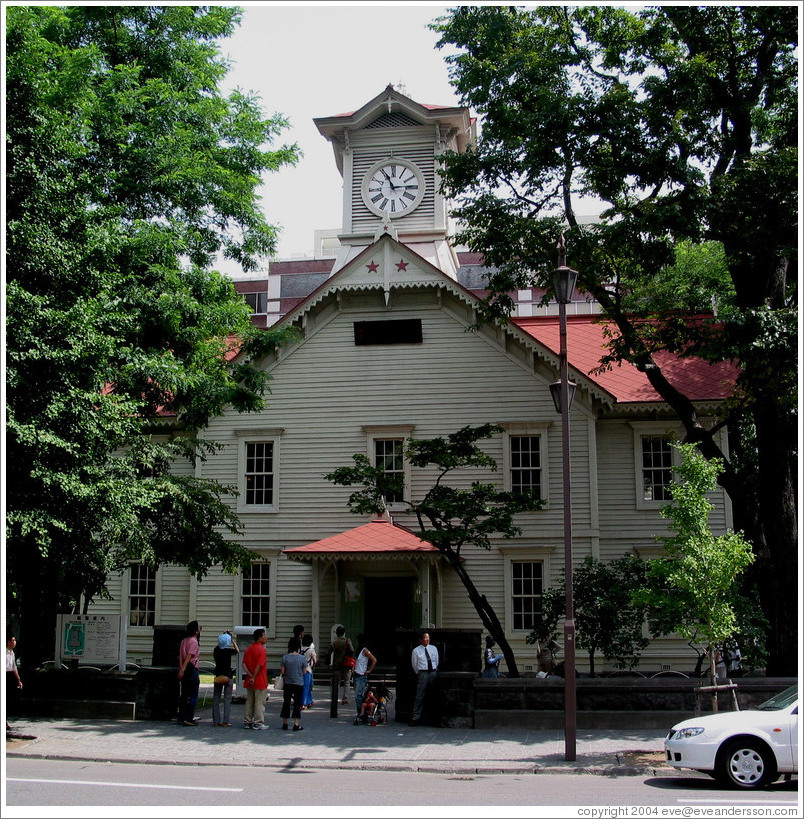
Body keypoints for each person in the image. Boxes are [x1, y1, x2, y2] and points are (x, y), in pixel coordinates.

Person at [409, 630, 439, 726]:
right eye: (425, 638)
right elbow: (414, 664)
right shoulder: (416, 651)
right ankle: (416, 717)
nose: (427, 640)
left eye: (428, 638)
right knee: (420, 695)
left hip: (432, 672)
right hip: (423, 672)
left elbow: (436, 660)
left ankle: (432, 718)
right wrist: (419, 672)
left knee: (433, 694)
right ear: (421, 640)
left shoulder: (433, 648)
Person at [242, 628, 269, 730]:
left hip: (249, 680)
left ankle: (247, 721)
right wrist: (254, 676)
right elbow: (259, 665)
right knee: (259, 702)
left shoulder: (249, 649)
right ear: (259, 638)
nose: (265, 637)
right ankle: (258, 722)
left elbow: (244, 664)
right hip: (259, 680)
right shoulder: (261, 650)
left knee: (249, 701)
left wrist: (250, 675)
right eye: (264, 636)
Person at [212, 630, 239, 727]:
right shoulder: (228, 651)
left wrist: (223, 636)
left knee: (216, 699)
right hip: (228, 676)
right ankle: (225, 721)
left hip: (218, 676)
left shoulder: (216, 650)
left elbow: (218, 645)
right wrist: (232, 640)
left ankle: (216, 721)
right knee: (227, 699)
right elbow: (237, 651)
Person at [177, 621, 201, 726]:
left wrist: (181, 669)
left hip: (184, 669)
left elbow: (182, 657)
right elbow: (189, 656)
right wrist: (183, 669)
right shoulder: (194, 642)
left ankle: (181, 716)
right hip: (191, 669)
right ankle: (189, 717)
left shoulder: (183, 641)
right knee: (193, 695)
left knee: (184, 694)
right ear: (196, 631)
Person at [280, 637, 307, 731]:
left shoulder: (285, 657)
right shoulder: (302, 658)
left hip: (288, 682)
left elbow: (283, 672)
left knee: (286, 702)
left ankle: (285, 723)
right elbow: (304, 672)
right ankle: (296, 723)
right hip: (299, 683)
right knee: (297, 703)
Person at [327, 625, 354, 705]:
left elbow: (328, 653)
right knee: (346, 682)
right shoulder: (347, 641)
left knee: (336, 682)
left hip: (336, 664)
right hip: (346, 664)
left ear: (337, 633)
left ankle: (334, 697)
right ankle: (345, 698)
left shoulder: (334, 642)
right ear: (344, 633)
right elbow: (352, 650)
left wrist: (328, 663)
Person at [352, 635, 377, 718]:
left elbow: (374, 660)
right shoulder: (360, 650)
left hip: (361, 675)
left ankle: (361, 713)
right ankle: (361, 712)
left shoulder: (365, 650)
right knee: (358, 695)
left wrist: (369, 670)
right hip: (357, 674)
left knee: (358, 696)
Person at [6, 634, 23, 730]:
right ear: (8, 642)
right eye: (13, 640)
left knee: (9, 700)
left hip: (10, 676)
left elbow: (14, 667)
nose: (15, 642)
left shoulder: (12, 653)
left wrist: (18, 680)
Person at [301, 633, 317, 709]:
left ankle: (309, 700)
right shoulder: (311, 650)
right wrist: (313, 666)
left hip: (300, 669)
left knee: (302, 686)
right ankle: (304, 703)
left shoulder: (300, 649)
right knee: (307, 687)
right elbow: (315, 660)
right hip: (308, 669)